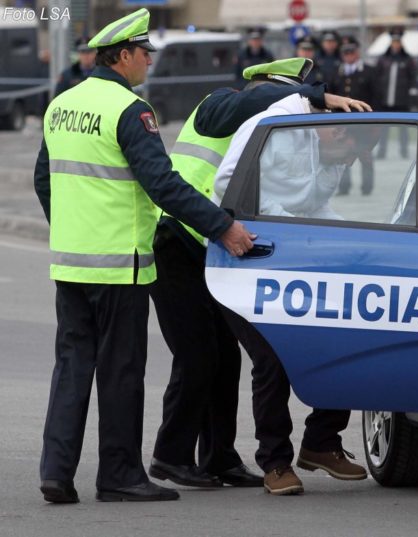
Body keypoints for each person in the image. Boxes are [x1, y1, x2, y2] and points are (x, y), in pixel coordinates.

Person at [33, 8, 255, 504]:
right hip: (120, 265)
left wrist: (71, 229)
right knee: (120, 372)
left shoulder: (60, 105)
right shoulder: (129, 110)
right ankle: (118, 475)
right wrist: (222, 227)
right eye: (144, 55)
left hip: (71, 264)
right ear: (124, 55)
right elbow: (164, 184)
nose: (148, 64)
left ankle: (56, 472)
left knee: (71, 367)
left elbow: (43, 179)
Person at [148, 57, 367, 490]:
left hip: (219, 243)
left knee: (225, 359)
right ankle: (170, 456)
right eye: (297, 94)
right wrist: (311, 96)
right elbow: (267, 108)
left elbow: (306, 199)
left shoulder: (291, 135)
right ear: (274, 87)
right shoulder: (221, 104)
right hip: (180, 239)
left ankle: (218, 457)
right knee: (198, 357)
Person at [211, 77, 374, 496]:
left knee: (343, 345)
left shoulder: (330, 151)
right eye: (348, 153)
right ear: (334, 126)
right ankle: (276, 462)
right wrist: (286, 227)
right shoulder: (277, 125)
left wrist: (361, 239)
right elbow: (226, 184)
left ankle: (321, 442)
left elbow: (316, 206)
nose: (348, 163)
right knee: (272, 361)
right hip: (246, 262)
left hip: (293, 267)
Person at [329, 36, 378, 195]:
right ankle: (344, 187)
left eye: (351, 52)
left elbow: (376, 96)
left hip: (364, 123)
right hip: (344, 123)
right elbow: (332, 97)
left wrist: (375, 121)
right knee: (343, 155)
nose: (349, 56)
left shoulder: (369, 71)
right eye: (345, 53)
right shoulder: (337, 72)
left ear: (357, 52)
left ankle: (367, 188)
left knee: (365, 155)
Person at [375, 27, 418, 159]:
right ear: (391, 43)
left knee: (403, 129)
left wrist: (412, 99)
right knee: (383, 129)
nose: (396, 44)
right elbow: (377, 77)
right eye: (394, 41)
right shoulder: (383, 59)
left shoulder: (408, 59)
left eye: (398, 42)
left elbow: (413, 79)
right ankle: (382, 151)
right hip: (385, 100)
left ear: (401, 43)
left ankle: (404, 151)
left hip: (402, 100)